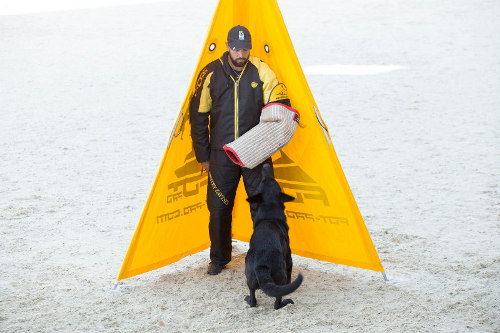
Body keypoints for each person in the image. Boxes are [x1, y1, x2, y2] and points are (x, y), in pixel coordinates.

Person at [189, 25, 291, 275]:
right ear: (227, 46)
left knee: (264, 208)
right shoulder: (211, 73)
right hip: (221, 154)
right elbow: (198, 116)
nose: (241, 54)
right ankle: (219, 259)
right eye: (236, 48)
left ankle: (265, 256)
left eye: (245, 49)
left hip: (256, 152)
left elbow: (279, 105)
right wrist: (203, 156)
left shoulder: (261, 69)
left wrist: (267, 140)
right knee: (219, 208)